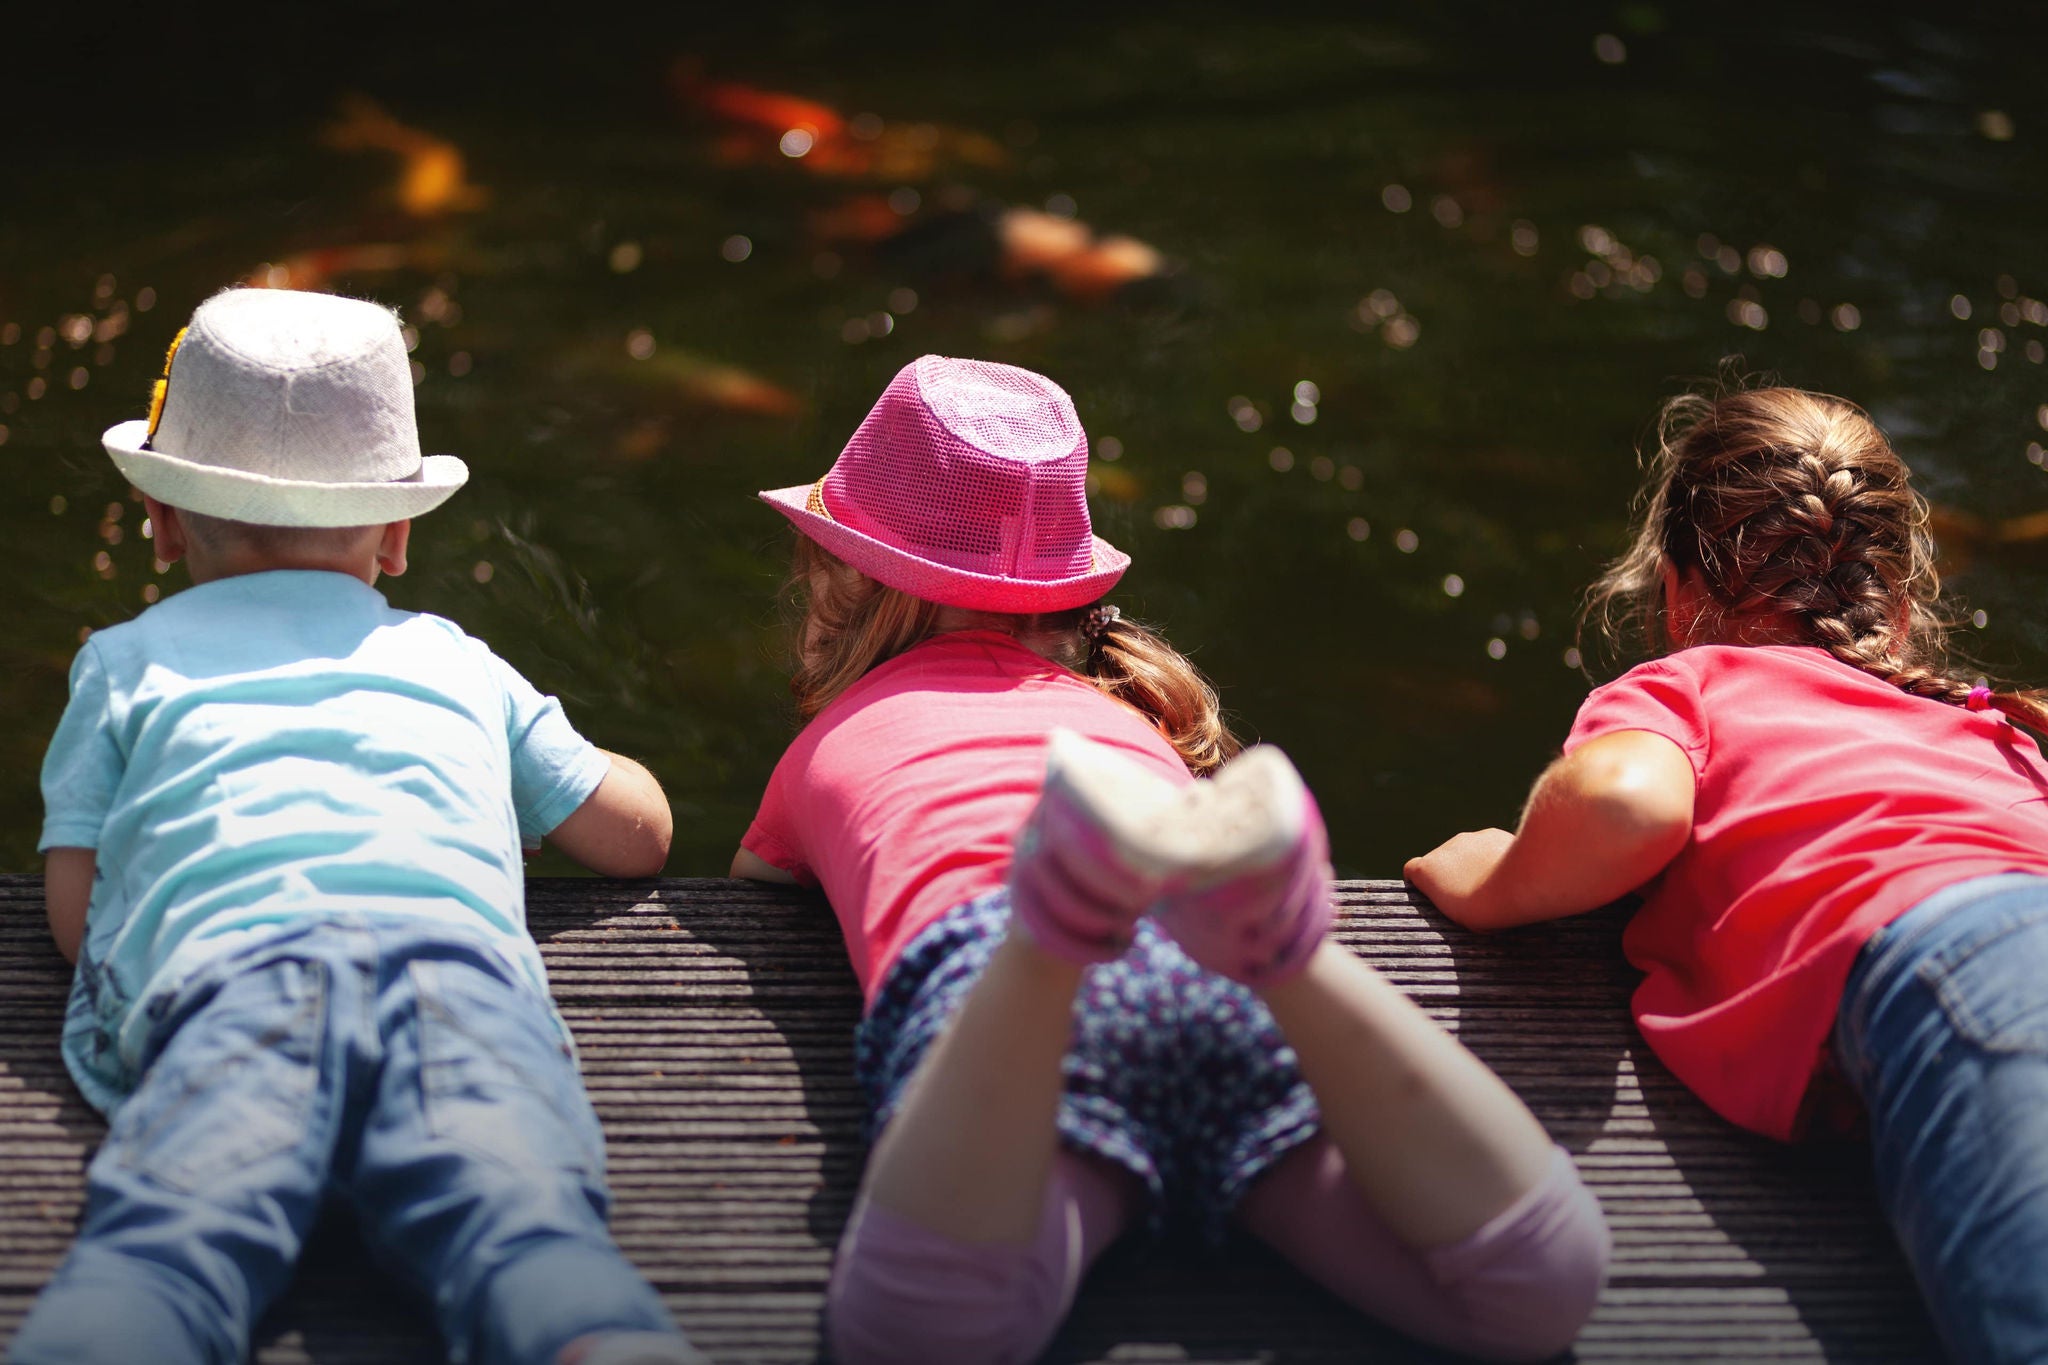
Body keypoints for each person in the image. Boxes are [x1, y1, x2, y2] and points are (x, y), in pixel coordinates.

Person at [732, 355, 1610, 1365]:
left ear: (840, 577)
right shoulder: (1123, 721)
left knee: (916, 1340)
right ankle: (1290, 948)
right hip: (1202, 950)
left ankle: (1051, 930)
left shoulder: (823, 749)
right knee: (1532, 1294)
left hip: (995, 979)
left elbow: (763, 894)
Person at [12, 288, 706, 1365]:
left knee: (165, 1254)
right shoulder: (456, 662)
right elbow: (639, 839)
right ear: (396, 536)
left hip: (236, 991)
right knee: (524, 1241)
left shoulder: (122, 663)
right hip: (456, 992)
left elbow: (73, 919)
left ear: (158, 520)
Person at [1406, 384, 2048, 1365]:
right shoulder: (1990, 725)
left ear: (1673, 591)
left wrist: (1489, 880)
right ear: (1902, 606)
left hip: (1962, 962)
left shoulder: (1687, 686)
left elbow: (1624, 806)